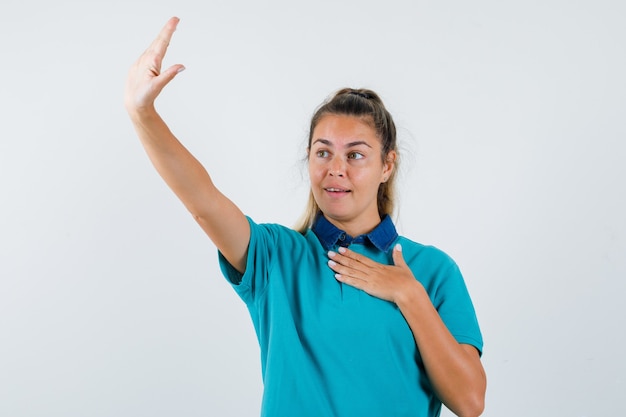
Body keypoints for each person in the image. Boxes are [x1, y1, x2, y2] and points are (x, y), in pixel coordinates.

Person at [124, 17, 486, 417]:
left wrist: (409, 294)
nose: (335, 168)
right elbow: (204, 203)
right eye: (323, 151)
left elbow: (470, 402)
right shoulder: (277, 257)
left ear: (387, 165)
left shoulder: (431, 271)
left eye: (356, 155)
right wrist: (143, 115)